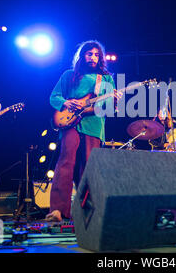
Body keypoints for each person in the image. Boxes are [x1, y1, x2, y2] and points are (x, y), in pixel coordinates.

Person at [46, 40, 122, 222]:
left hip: (94, 126)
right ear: (82, 55)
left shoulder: (106, 79)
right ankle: (57, 210)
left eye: (96, 54)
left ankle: (87, 211)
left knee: (88, 167)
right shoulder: (69, 75)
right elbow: (53, 97)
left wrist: (114, 101)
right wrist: (65, 102)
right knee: (65, 162)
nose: (93, 57)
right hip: (70, 124)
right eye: (89, 54)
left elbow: (107, 107)